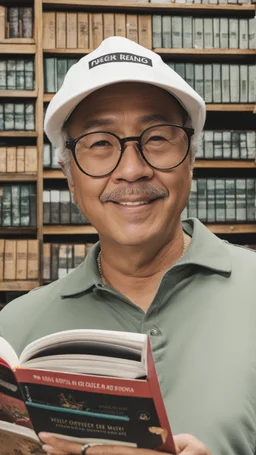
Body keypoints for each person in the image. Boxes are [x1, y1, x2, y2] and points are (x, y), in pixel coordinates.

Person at [0, 36, 256, 455]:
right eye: (101, 143)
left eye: (156, 137)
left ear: (191, 158)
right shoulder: (14, 329)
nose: (132, 170)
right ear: (70, 177)